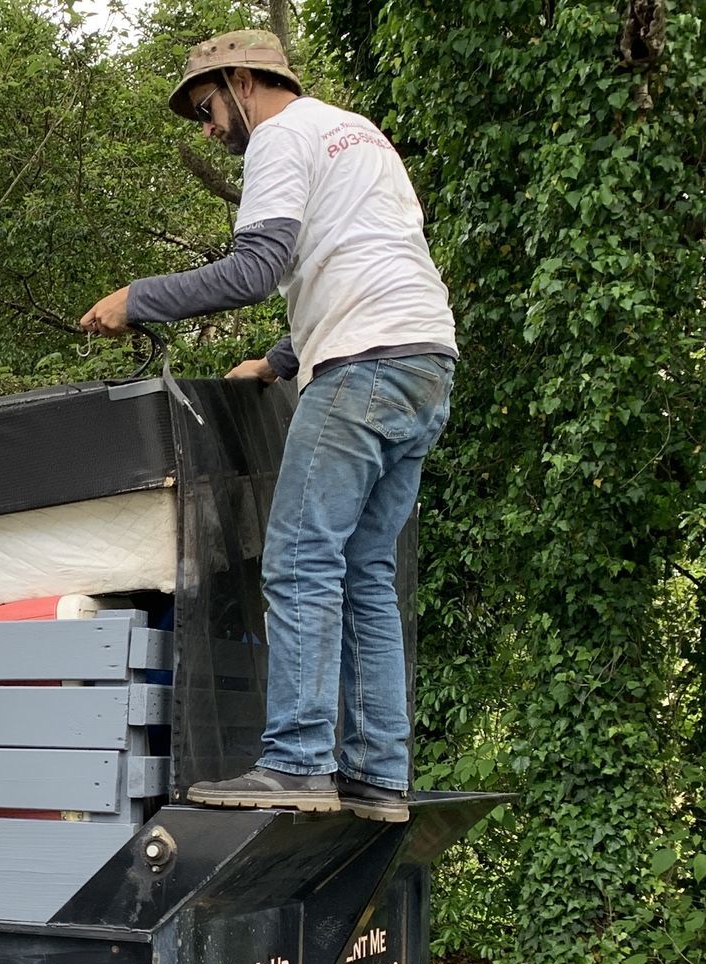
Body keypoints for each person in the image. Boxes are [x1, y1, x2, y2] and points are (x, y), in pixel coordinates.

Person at [79, 29, 456, 824]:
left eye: (209, 108)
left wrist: (137, 297)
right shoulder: (357, 134)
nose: (209, 129)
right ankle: (378, 775)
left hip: (365, 368)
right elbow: (365, 258)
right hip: (424, 362)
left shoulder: (281, 137)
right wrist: (283, 359)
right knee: (364, 572)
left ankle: (297, 762)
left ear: (245, 80)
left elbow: (255, 270)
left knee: (299, 560)